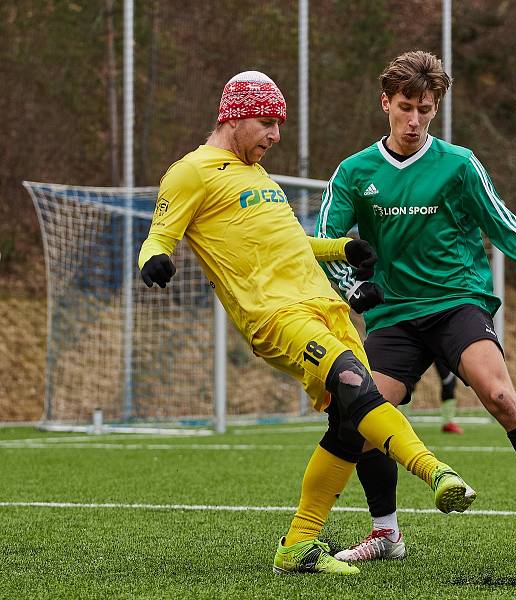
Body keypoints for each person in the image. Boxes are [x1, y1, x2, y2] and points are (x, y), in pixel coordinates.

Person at [137, 70, 476, 575]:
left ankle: (298, 546)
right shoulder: (192, 171)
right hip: (275, 315)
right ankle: (437, 472)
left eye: (280, 124)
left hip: (325, 307)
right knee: (353, 384)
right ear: (235, 116)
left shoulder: (256, 173)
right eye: (268, 123)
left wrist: (342, 248)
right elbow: (159, 234)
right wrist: (155, 260)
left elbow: (292, 243)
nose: (275, 136)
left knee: (349, 423)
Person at [316, 51, 516, 563]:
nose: (415, 120)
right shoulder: (353, 172)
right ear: (385, 102)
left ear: (436, 109)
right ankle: (386, 535)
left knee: (500, 395)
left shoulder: (459, 165)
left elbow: (505, 225)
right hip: (393, 315)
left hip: (458, 301)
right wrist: (353, 288)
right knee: (362, 417)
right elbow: (324, 239)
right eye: (406, 107)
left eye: (426, 110)